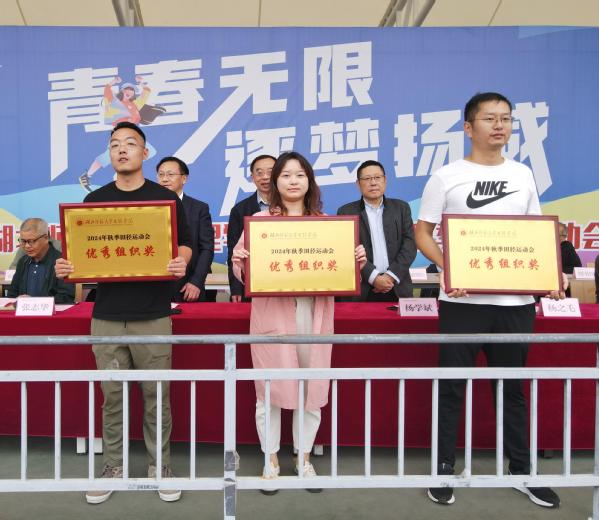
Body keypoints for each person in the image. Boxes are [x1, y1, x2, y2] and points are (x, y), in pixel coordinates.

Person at [415, 92, 566, 509]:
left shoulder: (523, 174)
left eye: (506, 119)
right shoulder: (447, 176)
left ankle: (522, 471)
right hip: (462, 302)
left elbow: (535, 234)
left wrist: (549, 275)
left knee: (511, 389)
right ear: (469, 127)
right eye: (489, 119)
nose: (499, 126)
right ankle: (442, 470)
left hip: (515, 304)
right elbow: (422, 232)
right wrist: (448, 267)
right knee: (451, 387)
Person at [55, 122, 192, 504]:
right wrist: (67, 267)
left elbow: (185, 244)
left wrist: (180, 261)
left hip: (153, 314)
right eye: (114, 144)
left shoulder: (164, 199)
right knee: (112, 397)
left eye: (130, 143)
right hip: (108, 316)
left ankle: (160, 466)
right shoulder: (94, 200)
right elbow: (80, 254)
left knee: (157, 396)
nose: (121, 149)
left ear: (144, 153)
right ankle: (112, 467)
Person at [232, 151, 366, 492]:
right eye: (286, 175)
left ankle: (303, 457)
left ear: (310, 181)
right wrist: (240, 258)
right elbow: (243, 272)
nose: (293, 181)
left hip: (313, 315)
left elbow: (343, 272)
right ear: (275, 182)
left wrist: (355, 260)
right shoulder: (259, 224)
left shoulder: (328, 225)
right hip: (273, 316)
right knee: (270, 389)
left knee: (311, 387)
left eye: (300, 174)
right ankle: (271, 459)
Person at [337, 159, 416, 301]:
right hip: (362, 288)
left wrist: (390, 276)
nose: (373, 182)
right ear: (358, 184)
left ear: (385, 180)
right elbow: (346, 249)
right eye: (367, 179)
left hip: (397, 286)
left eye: (377, 177)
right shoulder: (346, 212)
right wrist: (373, 277)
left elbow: (409, 245)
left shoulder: (401, 208)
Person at [79, 76, 165, 192]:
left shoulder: (135, 105)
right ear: (122, 91)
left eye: (132, 90)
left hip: (133, 134)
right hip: (120, 133)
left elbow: (146, 92)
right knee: (108, 156)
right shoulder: (115, 101)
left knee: (150, 152)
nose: (130, 91)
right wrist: (114, 81)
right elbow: (107, 90)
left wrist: (141, 82)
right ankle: (87, 176)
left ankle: (122, 171)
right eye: (127, 89)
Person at [156, 156, 215, 302]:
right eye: (161, 175)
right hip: (156, 286)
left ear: (184, 178)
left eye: (170, 174)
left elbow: (206, 248)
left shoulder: (199, 208)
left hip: (187, 285)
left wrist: (196, 282)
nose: (165, 179)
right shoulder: (149, 208)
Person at [227, 154, 276, 302]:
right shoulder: (240, 209)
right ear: (252, 177)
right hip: (253, 281)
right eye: (259, 173)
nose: (265, 177)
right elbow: (233, 251)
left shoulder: (292, 207)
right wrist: (236, 288)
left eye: (270, 172)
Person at [7, 218, 74, 303]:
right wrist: (18, 300)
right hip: (24, 311)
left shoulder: (61, 262)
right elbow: (11, 294)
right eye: (23, 241)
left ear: (46, 238)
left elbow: (66, 297)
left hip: (53, 311)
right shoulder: (23, 261)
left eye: (31, 241)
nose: (27, 246)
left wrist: (34, 302)